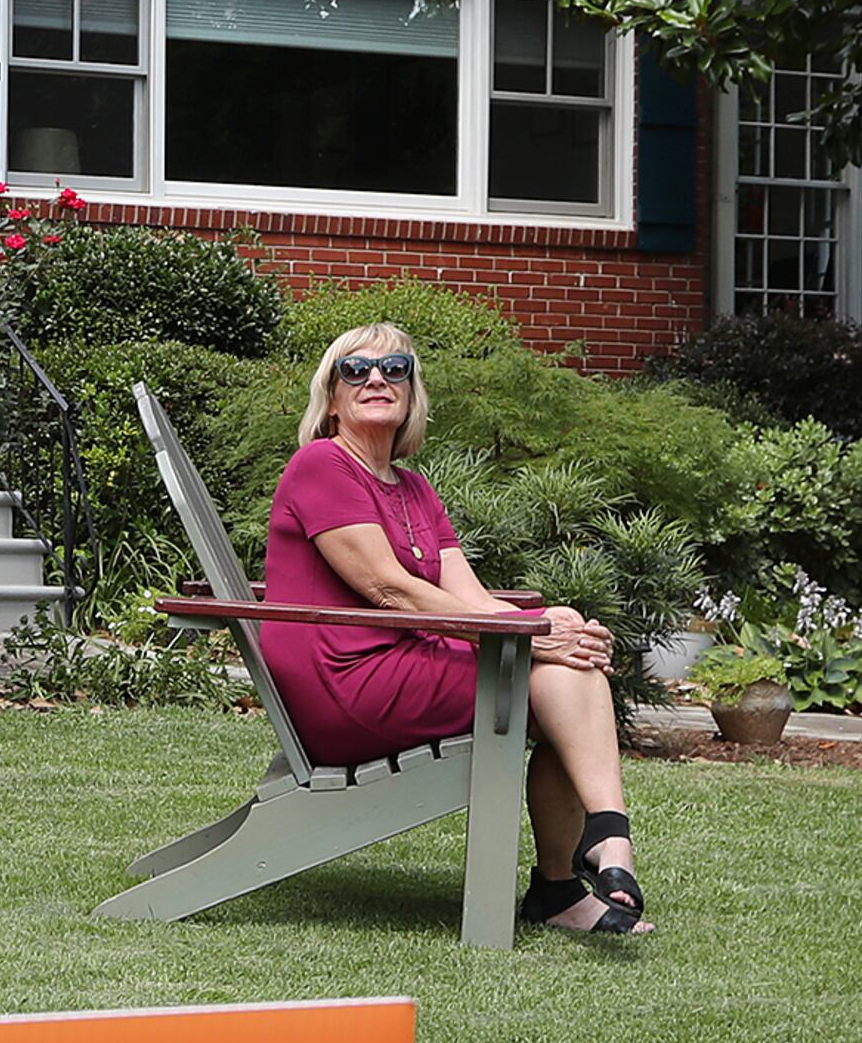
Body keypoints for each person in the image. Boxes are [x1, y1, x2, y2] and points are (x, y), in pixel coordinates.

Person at [259, 322, 654, 935]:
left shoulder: (413, 488)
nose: (375, 380)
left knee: (564, 651)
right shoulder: (323, 467)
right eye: (355, 370)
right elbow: (390, 589)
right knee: (549, 665)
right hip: (346, 683)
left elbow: (465, 595)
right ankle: (596, 849)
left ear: (413, 394)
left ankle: (572, 873)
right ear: (331, 397)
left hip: (401, 662)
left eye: (394, 370)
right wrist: (536, 639)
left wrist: (554, 627)